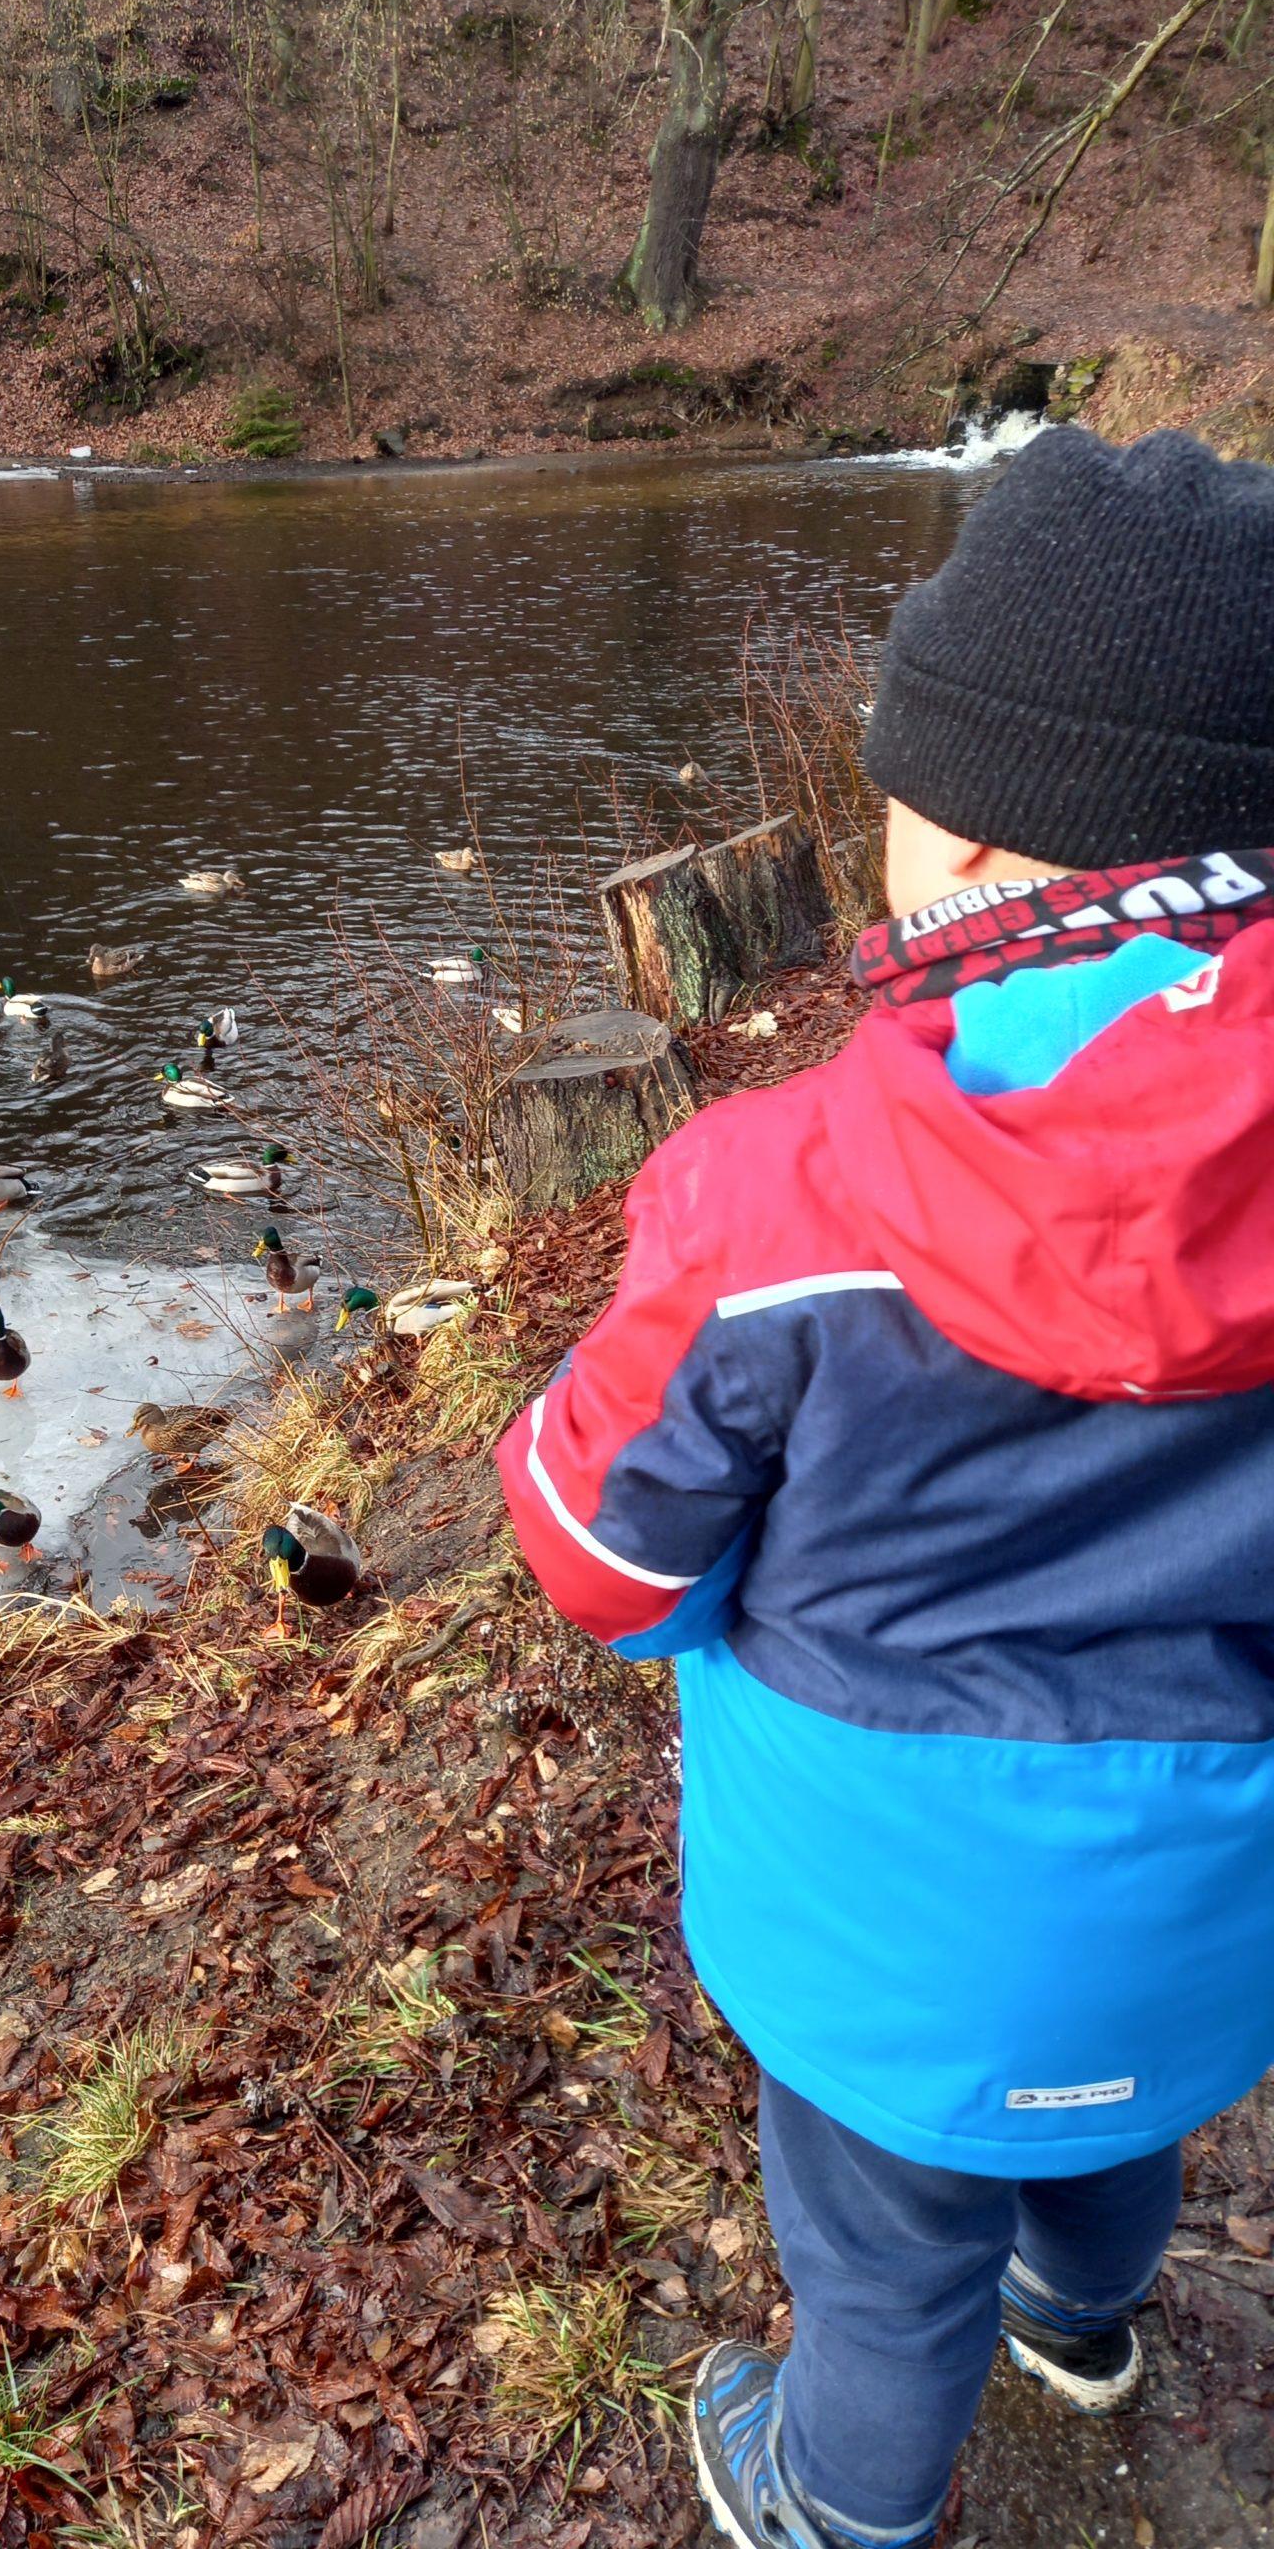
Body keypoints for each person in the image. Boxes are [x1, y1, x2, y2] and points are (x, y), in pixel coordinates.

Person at [495, 426, 1274, 2549]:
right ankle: (1090, 2314)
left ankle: (837, 2496)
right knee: (1112, 2116)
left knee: (878, 2244)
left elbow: (594, 1552)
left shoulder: (772, 1198)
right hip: (1208, 1890)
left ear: (969, 856)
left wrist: (667, 1580)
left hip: (881, 1913)